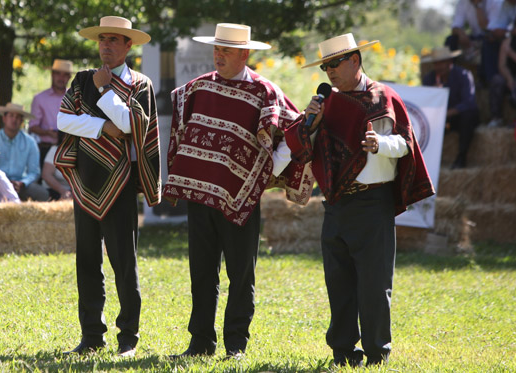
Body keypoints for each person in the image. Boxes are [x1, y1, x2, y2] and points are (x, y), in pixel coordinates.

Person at [164, 23, 312, 359]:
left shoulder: (264, 92)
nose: (218, 55)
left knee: (240, 274)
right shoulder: (197, 89)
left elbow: (293, 130)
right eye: (216, 49)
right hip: (200, 199)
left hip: (241, 200)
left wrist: (263, 174)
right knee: (201, 272)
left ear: (245, 54)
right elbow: (180, 131)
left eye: (226, 51)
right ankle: (200, 343)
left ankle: (236, 346)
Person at [286, 33, 434, 367]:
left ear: (355, 60)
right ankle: (342, 351)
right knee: (338, 282)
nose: (330, 72)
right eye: (325, 66)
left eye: (335, 63)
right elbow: (298, 144)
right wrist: (311, 123)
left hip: (373, 203)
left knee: (373, 282)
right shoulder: (326, 103)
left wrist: (380, 143)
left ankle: (377, 351)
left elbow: (407, 144)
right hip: (336, 203)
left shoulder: (383, 96)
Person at [55, 15, 160, 358]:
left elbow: (132, 125)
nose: (106, 46)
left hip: (122, 183)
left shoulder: (140, 84)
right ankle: (91, 336)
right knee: (86, 262)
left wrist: (103, 91)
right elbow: (62, 120)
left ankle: (128, 337)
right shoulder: (81, 79)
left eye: (114, 40)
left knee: (123, 262)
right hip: (86, 181)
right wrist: (101, 129)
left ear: (129, 46)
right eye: (102, 40)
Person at [422, 46, 480, 169]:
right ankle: (425, 160)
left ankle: (461, 157)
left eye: (442, 62)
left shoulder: (463, 75)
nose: (439, 66)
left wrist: (447, 113)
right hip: (441, 119)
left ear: (450, 62)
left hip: (459, 117)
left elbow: (469, 103)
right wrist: (432, 94)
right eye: (436, 63)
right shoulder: (429, 79)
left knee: (468, 116)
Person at [0, 102, 48, 201]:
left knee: (43, 194)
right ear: (4, 118)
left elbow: (34, 172)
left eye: (18, 117)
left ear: (22, 121)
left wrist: (22, 183)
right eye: (11, 116)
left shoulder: (30, 142)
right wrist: (3, 182)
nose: (14, 119)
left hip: (21, 185)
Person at [29, 59, 73, 169]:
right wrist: (47, 133)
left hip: (69, 148)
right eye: (58, 73)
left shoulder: (75, 98)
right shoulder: (39, 98)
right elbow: (32, 126)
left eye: (65, 75)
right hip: (46, 147)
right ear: (52, 75)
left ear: (69, 77)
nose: (61, 78)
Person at [489, 11, 516, 127]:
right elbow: (502, 65)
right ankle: (496, 117)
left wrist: (511, 53)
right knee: (497, 80)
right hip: (511, 77)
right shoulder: (507, 42)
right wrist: (509, 79)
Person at [41, 133, 72, 200]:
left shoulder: (82, 154)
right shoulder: (54, 150)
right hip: (53, 191)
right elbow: (46, 175)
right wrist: (63, 191)